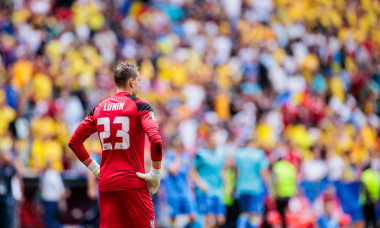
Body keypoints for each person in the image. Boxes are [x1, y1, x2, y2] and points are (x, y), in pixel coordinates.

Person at [69, 62, 163, 228]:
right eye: (139, 80)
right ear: (131, 82)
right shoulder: (141, 105)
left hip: (107, 184)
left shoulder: (99, 108)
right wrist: (155, 173)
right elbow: (156, 141)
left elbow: (74, 142)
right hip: (133, 183)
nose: (140, 85)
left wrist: (95, 168)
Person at [191, 131, 226, 228]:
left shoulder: (221, 153)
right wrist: (200, 184)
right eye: (213, 138)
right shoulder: (201, 154)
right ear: (207, 140)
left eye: (216, 138)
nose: (215, 140)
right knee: (208, 220)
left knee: (221, 220)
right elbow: (192, 171)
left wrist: (226, 183)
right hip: (206, 191)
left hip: (218, 190)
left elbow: (221, 169)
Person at [235, 139, 269, 228]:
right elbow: (263, 172)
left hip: (241, 187)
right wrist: (269, 186)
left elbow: (236, 171)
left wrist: (235, 186)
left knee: (243, 213)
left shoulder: (240, 153)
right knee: (255, 214)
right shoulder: (259, 154)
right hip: (255, 188)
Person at [164, 136, 196, 227]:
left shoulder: (186, 156)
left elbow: (189, 172)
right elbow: (174, 171)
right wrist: (178, 156)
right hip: (173, 192)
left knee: (192, 216)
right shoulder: (170, 155)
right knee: (173, 218)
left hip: (185, 191)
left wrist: (191, 189)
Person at [272, 156, 297, 228]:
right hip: (290, 193)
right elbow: (295, 180)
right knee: (288, 213)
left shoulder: (277, 166)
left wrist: (275, 192)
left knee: (281, 213)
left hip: (280, 193)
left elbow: (276, 181)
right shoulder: (290, 166)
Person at [360, 163, 380, 228]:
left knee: (367, 219)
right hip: (375, 199)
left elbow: (364, 186)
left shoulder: (365, 174)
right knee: (373, 217)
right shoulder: (376, 174)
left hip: (366, 199)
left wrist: (369, 195)